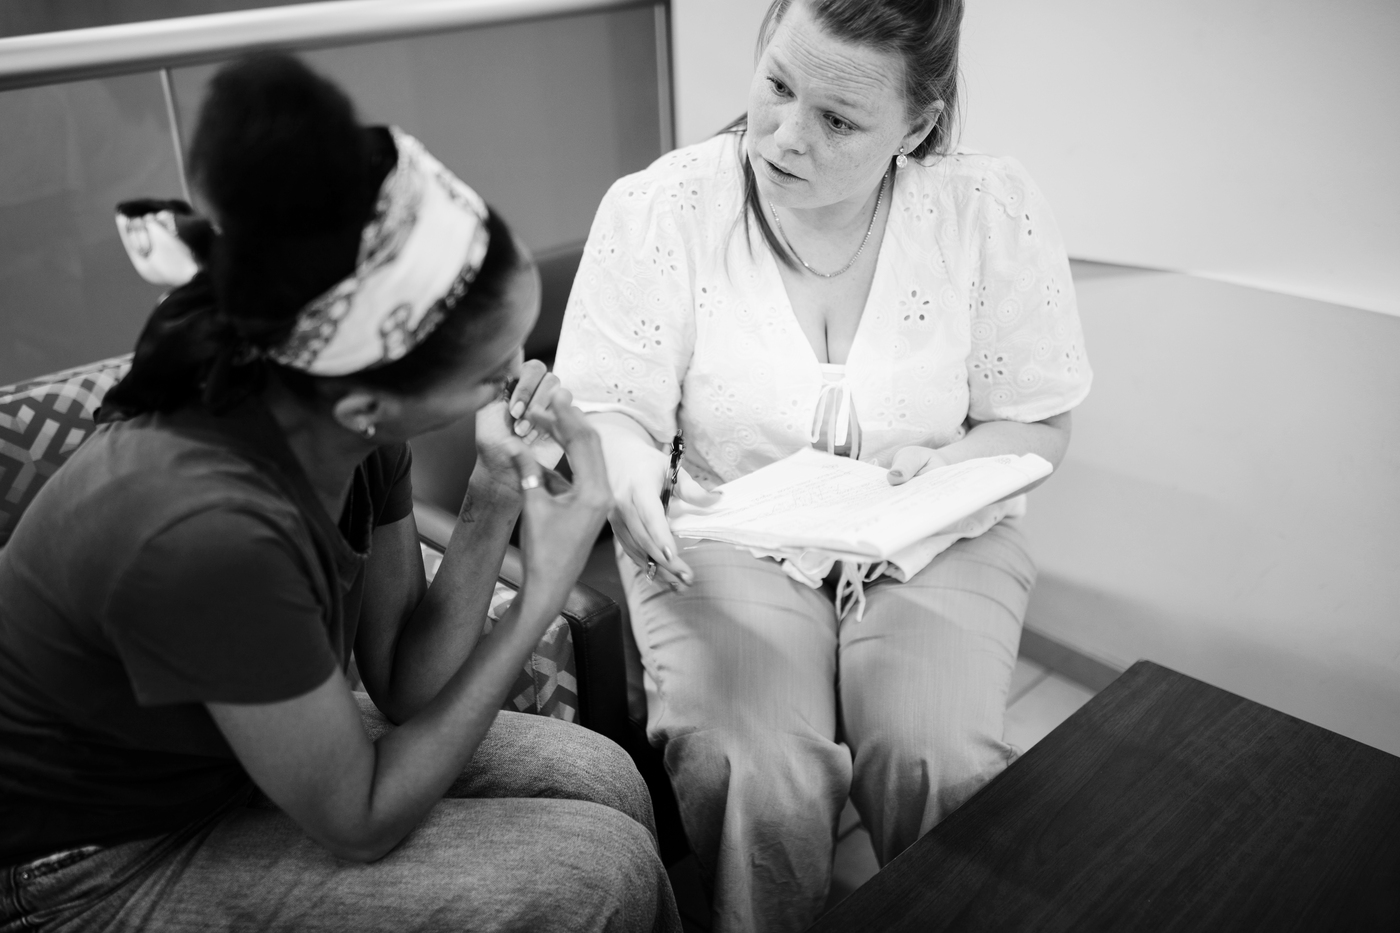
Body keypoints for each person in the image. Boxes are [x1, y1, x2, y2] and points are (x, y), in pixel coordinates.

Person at [0, 54, 679, 933]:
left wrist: (494, 491)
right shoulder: (206, 529)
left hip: (218, 759)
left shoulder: (345, 425)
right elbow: (359, 818)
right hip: (90, 858)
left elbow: (402, 681)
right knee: (600, 869)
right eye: (490, 370)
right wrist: (539, 593)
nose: (521, 375)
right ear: (366, 402)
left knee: (603, 775)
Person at [554, 1, 1092, 929]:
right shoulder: (664, 208)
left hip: (934, 532)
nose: (783, 136)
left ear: (915, 127)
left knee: (938, 758)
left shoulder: (985, 211)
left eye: (838, 120)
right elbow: (608, 407)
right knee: (757, 766)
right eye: (776, 84)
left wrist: (949, 463)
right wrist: (631, 470)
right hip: (727, 533)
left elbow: (1037, 423)